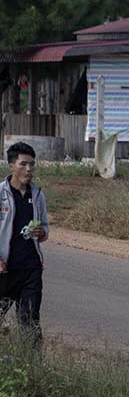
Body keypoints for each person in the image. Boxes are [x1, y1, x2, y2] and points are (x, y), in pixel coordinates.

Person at [0, 142, 48, 346]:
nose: (28, 169)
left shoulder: (37, 195)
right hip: (4, 270)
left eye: (32, 164)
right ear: (11, 165)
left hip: (31, 269)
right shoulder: (1, 193)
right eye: (23, 164)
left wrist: (41, 232)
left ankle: (34, 368)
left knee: (30, 323)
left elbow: (45, 229)